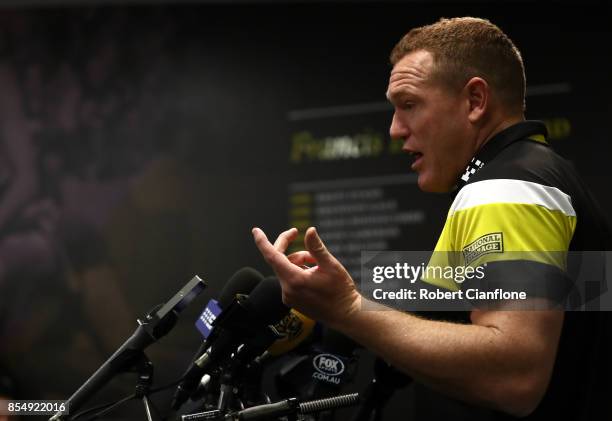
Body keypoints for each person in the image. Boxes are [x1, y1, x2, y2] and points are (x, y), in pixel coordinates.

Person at [252, 17, 611, 420]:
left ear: (475, 101)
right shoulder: (542, 175)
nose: (394, 129)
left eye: (409, 104)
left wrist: (348, 310)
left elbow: (516, 376)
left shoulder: (507, 187)